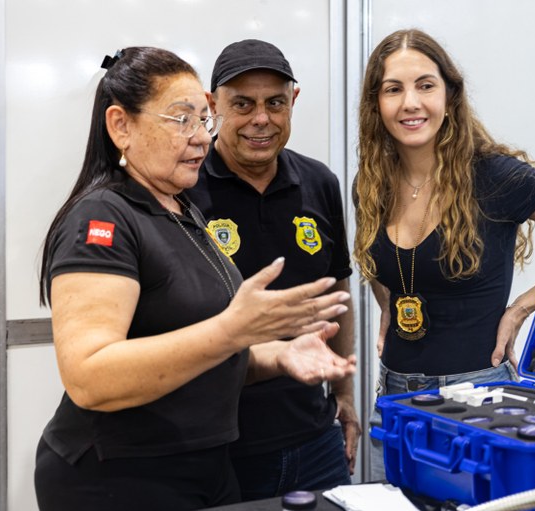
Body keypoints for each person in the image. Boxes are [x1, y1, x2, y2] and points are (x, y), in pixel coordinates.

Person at [34, 46, 356, 511]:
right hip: (119, 475)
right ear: (121, 126)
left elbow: (205, 353)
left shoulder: (180, 210)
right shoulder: (103, 217)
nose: (202, 138)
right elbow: (90, 376)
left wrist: (279, 353)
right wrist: (234, 330)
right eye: (181, 119)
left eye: (204, 121)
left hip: (202, 467)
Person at [353, 28, 535, 480]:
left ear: (449, 95)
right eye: (393, 89)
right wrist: (389, 301)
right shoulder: (373, 180)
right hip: (393, 403)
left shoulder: (495, 176)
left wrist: (520, 309)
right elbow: (380, 259)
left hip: (477, 402)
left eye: (425, 85)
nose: (410, 103)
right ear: (375, 104)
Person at [185, 39, 359, 500]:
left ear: (293, 102)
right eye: (242, 104)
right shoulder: (182, 187)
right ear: (212, 105)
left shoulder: (320, 182)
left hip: (315, 439)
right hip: (219, 448)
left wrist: (344, 395)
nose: (261, 119)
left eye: (275, 103)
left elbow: (338, 292)